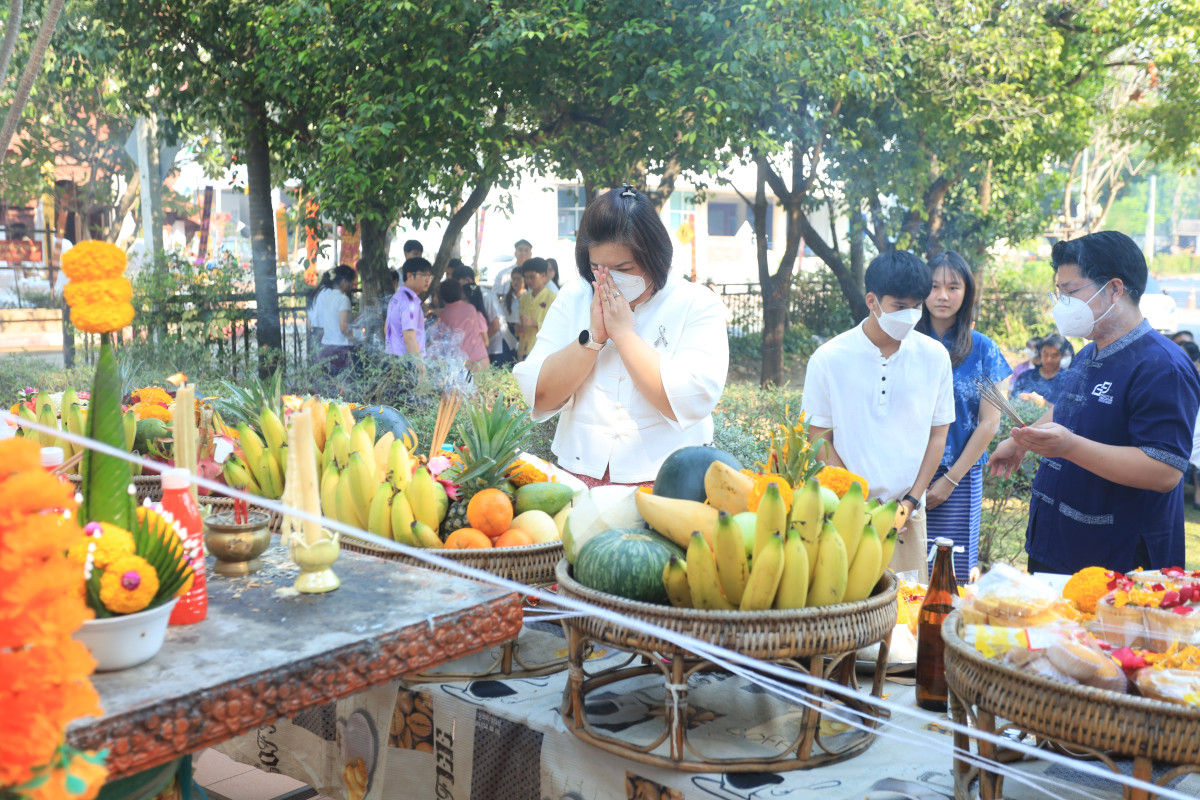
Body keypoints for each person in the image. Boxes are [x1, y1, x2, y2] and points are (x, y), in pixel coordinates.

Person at [990, 231, 1200, 574]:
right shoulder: (1090, 352)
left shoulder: (1162, 366)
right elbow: (1069, 409)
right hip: (1056, 543)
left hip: (1115, 561)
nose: (1062, 304)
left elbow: (1164, 471)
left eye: (1070, 292)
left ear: (1115, 289)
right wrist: (1022, 442)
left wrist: (1069, 447)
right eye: (1059, 293)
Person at [513, 185, 729, 486]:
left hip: (668, 480)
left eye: (623, 268)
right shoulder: (574, 296)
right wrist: (593, 338)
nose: (608, 279)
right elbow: (541, 394)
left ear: (655, 257)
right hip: (579, 475)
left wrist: (624, 336)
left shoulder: (695, 302)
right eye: (596, 268)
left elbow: (691, 399)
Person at [801, 251, 954, 583]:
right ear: (872, 301)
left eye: (917, 306)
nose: (910, 315)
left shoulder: (935, 357)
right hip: (844, 513)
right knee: (845, 602)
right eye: (900, 306)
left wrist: (910, 502)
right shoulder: (829, 358)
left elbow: (938, 436)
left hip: (907, 517)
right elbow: (817, 437)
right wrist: (856, 502)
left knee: (906, 604)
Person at [916, 251, 1012, 583]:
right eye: (934, 286)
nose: (942, 295)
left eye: (953, 287)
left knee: (949, 576)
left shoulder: (984, 349)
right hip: (905, 473)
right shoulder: (905, 344)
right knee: (904, 572)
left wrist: (950, 480)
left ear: (966, 292)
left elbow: (990, 422)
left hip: (959, 476)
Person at [451, 261, 505, 366]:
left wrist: (481, 344)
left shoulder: (486, 295)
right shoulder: (464, 297)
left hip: (493, 348)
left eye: (458, 284)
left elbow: (495, 325)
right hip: (476, 350)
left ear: (467, 280)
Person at [309, 265, 358, 379]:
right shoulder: (343, 299)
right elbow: (343, 328)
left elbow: (335, 319)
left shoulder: (327, 297)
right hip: (342, 349)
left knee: (331, 383)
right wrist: (355, 342)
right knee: (344, 383)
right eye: (351, 282)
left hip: (327, 347)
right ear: (344, 281)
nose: (352, 285)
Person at [434, 278, 490, 372]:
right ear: (460, 293)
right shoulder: (471, 308)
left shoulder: (441, 317)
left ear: (441, 296)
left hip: (458, 364)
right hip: (480, 358)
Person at [385, 257, 433, 358]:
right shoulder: (410, 302)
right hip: (407, 361)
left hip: (393, 358)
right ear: (410, 275)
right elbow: (409, 339)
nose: (428, 280)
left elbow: (386, 329)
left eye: (430, 276)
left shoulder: (396, 297)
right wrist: (420, 365)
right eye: (424, 275)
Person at [1012, 333, 1071, 406]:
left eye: (1054, 355)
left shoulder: (1067, 380)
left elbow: (1068, 408)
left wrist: (1044, 403)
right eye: (1045, 354)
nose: (1049, 360)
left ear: (1062, 356)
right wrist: (1020, 398)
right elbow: (1012, 400)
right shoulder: (1025, 377)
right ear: (1040, 353)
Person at [517, 257, 557, 360]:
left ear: (543, 275)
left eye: (532, 277)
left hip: (543, 352)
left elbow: (556, 327)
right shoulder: (524, 298)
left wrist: (534, 323)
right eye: (526, 277)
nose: (528, 281)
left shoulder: (552, 298)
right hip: (524, 349)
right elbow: (521, 327)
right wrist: (519, 327)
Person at [494, 266, 524, 367]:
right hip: (509, 333)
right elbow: (502, 317)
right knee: (508, 363)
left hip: (524, 332)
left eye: (518, 279)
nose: (515, 282)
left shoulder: (528, 296)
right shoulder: (507, 298)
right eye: (513, 279)